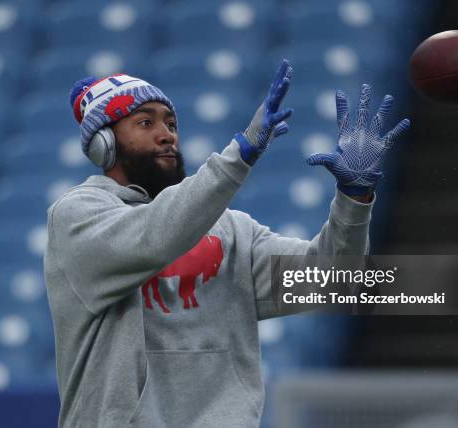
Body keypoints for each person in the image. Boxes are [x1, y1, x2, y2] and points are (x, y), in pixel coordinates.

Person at [43, 60, 410, 427]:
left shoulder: (232, 231)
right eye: (145, 122)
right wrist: (239, 155)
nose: (167, 134)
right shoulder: (77, 217)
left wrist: (354, 199)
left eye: (171, 123)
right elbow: (153, 237)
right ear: (103, 143)